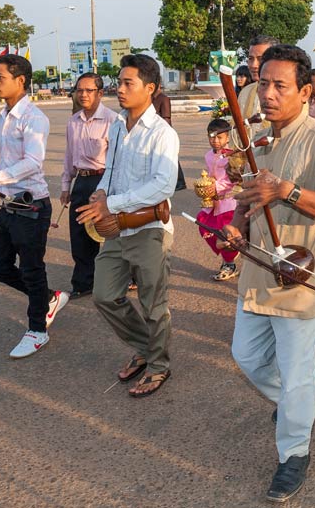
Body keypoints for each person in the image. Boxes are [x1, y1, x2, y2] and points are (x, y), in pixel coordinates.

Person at [221, 44, 315, 503]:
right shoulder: (258, 140)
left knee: (294, 372)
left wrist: (288, 190)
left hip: (300, 272)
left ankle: (294, 451)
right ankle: (304, 396)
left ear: (306, 90)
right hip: (258, 271)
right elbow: (248, 194)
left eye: (280, 86)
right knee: (247, 358)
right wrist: (236, 225)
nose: (269, 93)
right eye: (264, 84)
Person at [76, 54, 180, 396]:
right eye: (119, 82)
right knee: (105, 295)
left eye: (127, 83)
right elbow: (111, 169)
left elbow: (163, 186)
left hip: (149, 228)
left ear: (150, 88)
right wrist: (101, 193)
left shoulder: (163, 133)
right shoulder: (119, 126)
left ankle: (159, 366)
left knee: (154, 303)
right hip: (117, 228)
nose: (119, 89)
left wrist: (112, 204)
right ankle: (147, 348)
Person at [0, 54, 63, 359]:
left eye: (0, 77)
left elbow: (32, 164)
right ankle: (48, 298)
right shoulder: (4, 115)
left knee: (32, 269)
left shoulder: (34, 118)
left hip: (32, 207)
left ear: (20, 80)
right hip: (9, 203)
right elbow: (7, 163)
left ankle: (37, 330)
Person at [60, 72, 118, 299]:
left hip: (104, 181)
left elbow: (115, 161)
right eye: (79, 90)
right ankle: (84, 283)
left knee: (110, 232)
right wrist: (66, 186)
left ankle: (122, 279)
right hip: (82, 183)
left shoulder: (113, 120)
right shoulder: (73, 122)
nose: (83, 94)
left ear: (100, 93)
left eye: (89, 90)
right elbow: (69, 156)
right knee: (79, 234)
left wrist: (106, 190)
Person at [197, 118, 240, 281]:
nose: (215, 141)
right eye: (211, 137)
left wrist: (215, 187)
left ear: (228, 137)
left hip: (229, 201)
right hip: (212, 201)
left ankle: (229, 264)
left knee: (227, 233)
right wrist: (205, 185)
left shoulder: (233, 155)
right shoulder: (208, 155)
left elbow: (233, 179)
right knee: (204, 226)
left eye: (219, 137)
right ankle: (229, 259)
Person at [237, 34, 280, 144]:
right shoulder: (245, 92)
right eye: (251, 59)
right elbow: (237, 128)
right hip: (249, 158)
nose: (254, 65)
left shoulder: (289, 93)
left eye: (260, 59)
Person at [152, 87, 186, 191]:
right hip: (154, 130)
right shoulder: (150, 98)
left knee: (171, 158)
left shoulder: (164, 98)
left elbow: (167, 117)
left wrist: (166, 133)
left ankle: (180, 181)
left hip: (163, 130)